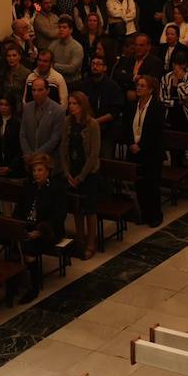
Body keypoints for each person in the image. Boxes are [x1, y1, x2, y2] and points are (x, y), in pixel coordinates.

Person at [14, 153, 67, 303]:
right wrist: (18, 226)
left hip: (49, 230)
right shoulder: (29, 187)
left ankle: (34, 287)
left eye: (39, 170)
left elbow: (59, 216)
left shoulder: (57, 188)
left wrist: (40, 231)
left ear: (48, 171)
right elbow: (18, 210)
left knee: (30, 246)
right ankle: (14, 281)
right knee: (13, 242)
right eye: (34, 171)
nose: (36, 174)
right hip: (29, 227)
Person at [61, 92, 102, 259]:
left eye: (74, 104)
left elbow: (94, 153)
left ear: (82, 105)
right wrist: (67, 173)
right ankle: (79, 239)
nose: (71, 106)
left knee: (89, 209)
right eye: (70, 103)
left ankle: (91, 242)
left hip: (88, 172)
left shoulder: (92, 125)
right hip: (73, 170)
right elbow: (63, 149)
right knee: (77, 209)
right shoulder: (67, 123)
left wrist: (82, 176)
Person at [126, 74, 165, 227]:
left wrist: (140, 145)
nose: (139, 88)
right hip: (134, 150)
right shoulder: (132, 105)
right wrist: (131, 143)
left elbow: (155, 132)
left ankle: (155, 215)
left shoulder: (157, 107)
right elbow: (127, 126)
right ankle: (144, 214)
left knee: (152, 185)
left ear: (150, 90)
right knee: (140, 186)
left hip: (151, 152)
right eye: (138, 85)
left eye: (142, 86)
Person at [20, 76, 63, 167]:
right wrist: (28, 153)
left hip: (48, 160)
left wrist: (35, 155)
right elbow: (22, 134)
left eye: (40, 90)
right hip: (28, 160)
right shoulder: (27, 108)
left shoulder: (58, 110)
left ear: (47, 91)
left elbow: (55, 139)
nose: (36, 93)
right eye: (34, 90)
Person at [158, 48, 188, 134]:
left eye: (180, 65)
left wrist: (180, 81)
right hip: (167, 113)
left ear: (185, 65)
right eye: (175, 64)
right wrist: (175, 103)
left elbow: (183, 97)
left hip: (183, 115)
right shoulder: (165, 77)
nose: (177, 67)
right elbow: (161, 99)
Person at [0, 94, 24, 178]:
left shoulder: (18, 124)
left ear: (12, 106)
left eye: (6, 105)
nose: (3, 107)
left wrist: (10, 167)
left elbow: (20, 148)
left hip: (13, 167)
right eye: (1, 104)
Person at [49, 16, 84, 81]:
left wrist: (54, 66)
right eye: (59, 27)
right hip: (55, 81)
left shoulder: (76, 47)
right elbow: (47, 61)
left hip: (71, 82)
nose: (61, 29)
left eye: (64, 27)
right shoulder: (53, 44)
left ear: (71, 30)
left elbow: (72, 69)